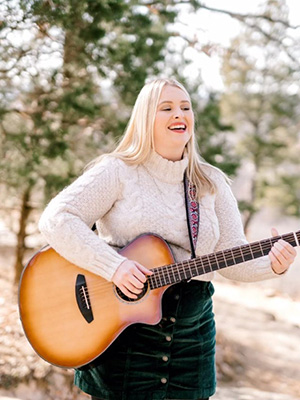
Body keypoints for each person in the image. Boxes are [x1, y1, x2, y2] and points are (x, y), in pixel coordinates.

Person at [38, 78, 297, 400]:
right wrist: (114, 267)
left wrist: (273, 266)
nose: (180, 114)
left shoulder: (211, 182)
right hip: (124, 335)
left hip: (192, 339)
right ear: (146, 118)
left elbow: (231, 256)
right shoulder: (118, 171)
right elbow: (56, 218)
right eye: (167, 108)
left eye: (185, 107)